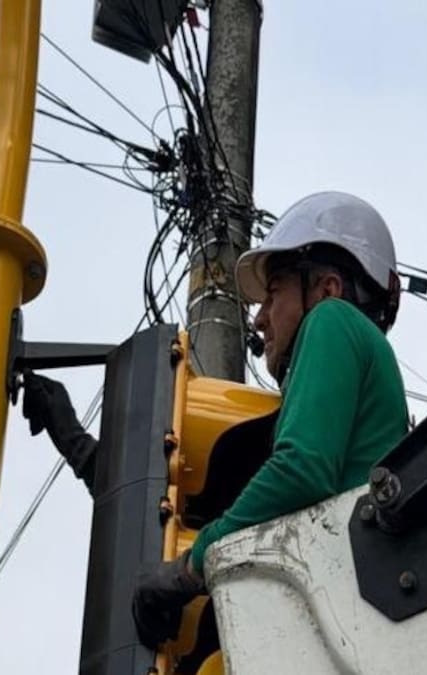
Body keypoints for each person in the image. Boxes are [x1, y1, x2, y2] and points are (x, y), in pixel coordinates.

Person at [128, 191, 410, 648]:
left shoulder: (332, 320)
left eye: (273, 292)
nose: (259, 320)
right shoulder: (367, 361)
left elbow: (301, 470)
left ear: (328, 288)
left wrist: (190, 566)